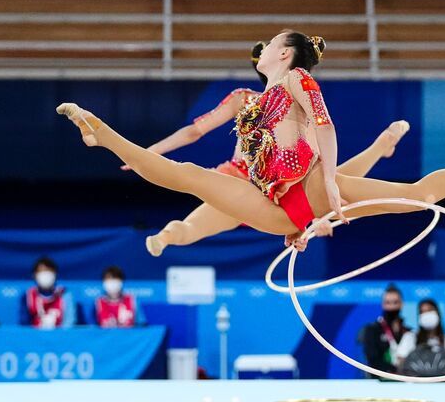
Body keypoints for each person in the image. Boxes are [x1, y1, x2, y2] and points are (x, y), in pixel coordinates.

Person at [58, 31, 445, 251]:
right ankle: (100, 134)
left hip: (308, 186)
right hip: (272, 206)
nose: (262, 48)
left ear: (285, 54)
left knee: (418, 197)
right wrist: (302, 226)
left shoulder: (296, 81)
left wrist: (331, 185)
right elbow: (204, 138)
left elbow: (325, 127)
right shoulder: (248, 100)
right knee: (188, 179)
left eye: (269, 43)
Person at [143, 43, 413, 256]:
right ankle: (164, 237)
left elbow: (316, 161)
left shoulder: (286, 102)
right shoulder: (250, 100)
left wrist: (318, 215)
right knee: (190, 228)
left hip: (277, 189)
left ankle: (381, 146)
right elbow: (195, 131)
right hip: (242, 183)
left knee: (336, 179)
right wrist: (151, 151)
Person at [395, 298, 445, 377]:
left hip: (443, 386)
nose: (426, 315)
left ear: (438, 313)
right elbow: (400, 364)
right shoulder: (409, 338)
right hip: (414, 386)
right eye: (422, 312)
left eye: (430, 310)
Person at [358, 284, 408, 377]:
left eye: (395, 302)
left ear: (402, 304)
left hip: (407, 382)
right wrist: (395, 371)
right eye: (388, 303)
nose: (392, 306)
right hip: (380, 382)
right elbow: (373, 360)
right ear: (383, 304)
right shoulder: (372, 330)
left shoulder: (408, 332)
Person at [22, 257, 75, 329]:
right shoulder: (28, 296)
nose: (45, 275)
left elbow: (69, 323)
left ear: (55, 274)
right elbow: (24, 324)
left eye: (48, 271)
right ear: (34, 275)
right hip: (34, 338)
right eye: (41, 271)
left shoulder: (65, 294)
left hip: (61, 338)